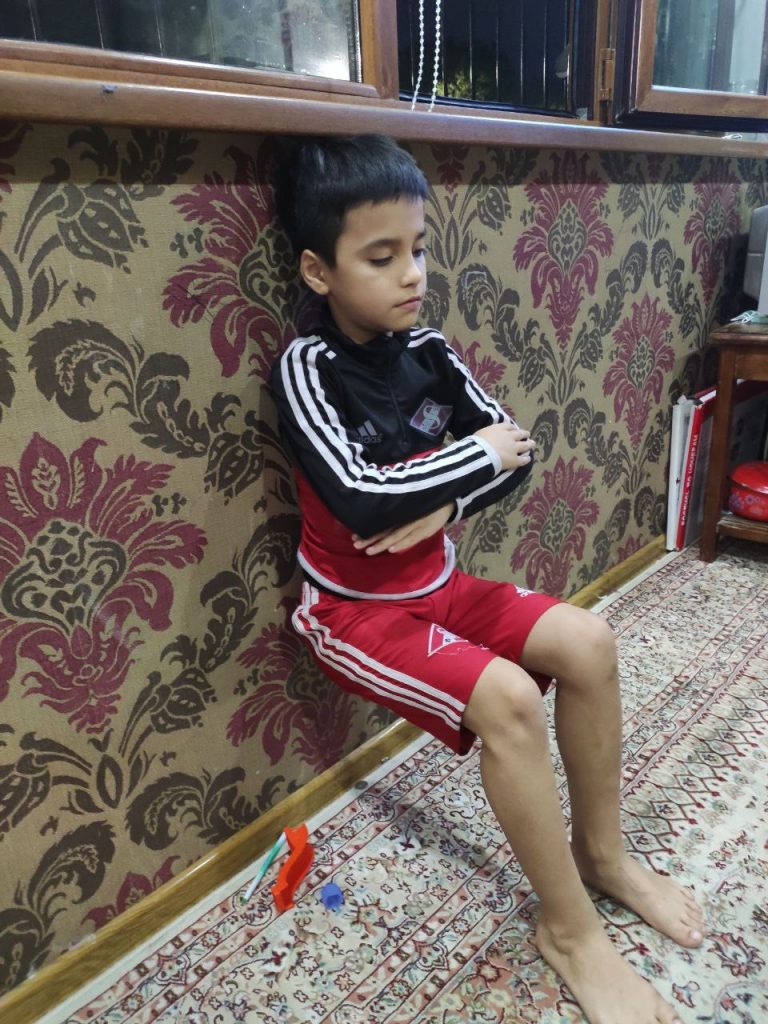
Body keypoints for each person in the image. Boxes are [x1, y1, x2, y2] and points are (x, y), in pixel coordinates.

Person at [269, 134, 704, 1024]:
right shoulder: (307, 368)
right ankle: (570, 931)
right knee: (508, 699)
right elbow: (361, 497)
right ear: (319, 270)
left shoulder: (429, 349)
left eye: (418, 248)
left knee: (590, 641)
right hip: (351, 613)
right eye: (381, 257)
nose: (412, 274)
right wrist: (474, 459)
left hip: (439, 585)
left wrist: (446, 504)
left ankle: (603, 854)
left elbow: (521, 452)